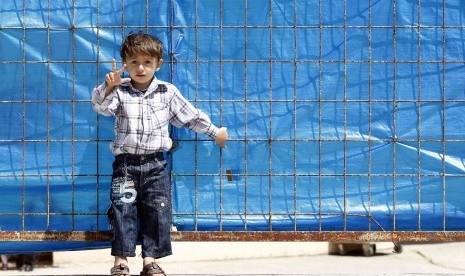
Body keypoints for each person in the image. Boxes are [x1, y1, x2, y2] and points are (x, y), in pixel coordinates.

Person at [91, 33, 228, 276]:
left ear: (158, 64)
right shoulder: (120, 91)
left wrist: (215, 131)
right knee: (122, 210)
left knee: (157, 211)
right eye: (133, 62)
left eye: (147, 62)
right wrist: (108, 87)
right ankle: (120, 261)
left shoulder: (167, 92)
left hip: (156, 165)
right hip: (125, 165)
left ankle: (150, 261)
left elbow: (190, 116)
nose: (140, 68)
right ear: (125, 63)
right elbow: (101, 108)